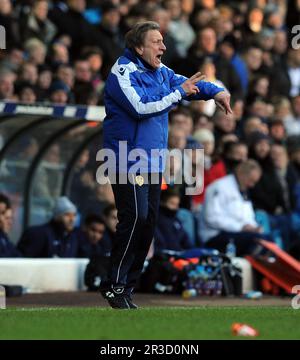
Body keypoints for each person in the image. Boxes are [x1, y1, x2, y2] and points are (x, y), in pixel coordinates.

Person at [100, 21, 231, 309]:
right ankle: (114, 284)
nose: (163, 47)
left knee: (147, 225)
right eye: (157, 42)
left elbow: (188, 83)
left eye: (163, 41)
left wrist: (216, 91)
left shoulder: (160, 72)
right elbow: (141, 107)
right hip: (125, 156)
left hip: (153, 161)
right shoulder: (123, 71)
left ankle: (126, 287)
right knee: (133, 217)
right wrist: (179, 93)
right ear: (138, 47)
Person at [201, 160, 271, 256]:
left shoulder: (243, 191)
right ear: (241, 173)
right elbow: (211, 218)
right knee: (258, 242)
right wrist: (240, 227)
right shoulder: (219, 187)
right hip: (215, 235)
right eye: (251, 180)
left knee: (268, 240)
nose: (252, 185)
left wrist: (254, 228)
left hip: (239, 234)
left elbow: (248, 217)